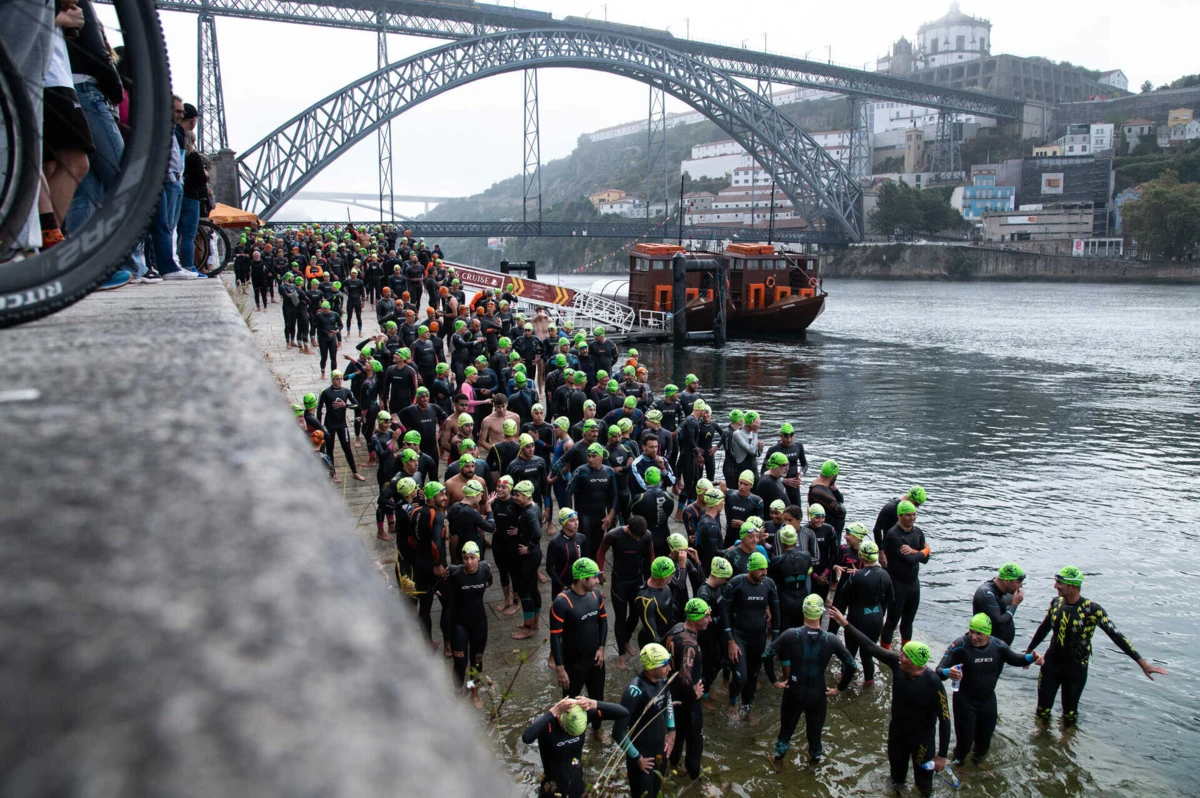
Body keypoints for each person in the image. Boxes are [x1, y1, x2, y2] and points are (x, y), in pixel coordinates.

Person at [829, 607, 951, 797]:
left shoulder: (933, 683)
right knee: (896, 779)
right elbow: (870, 646)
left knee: (924, 784)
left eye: (904, 655)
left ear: (915, 662)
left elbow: (945, 719)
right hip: (897, 734)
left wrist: (942, 755)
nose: (899, 656)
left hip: (922, 741)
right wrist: (845, 624)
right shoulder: (897, 665)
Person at [1026, 566, 1167, 725]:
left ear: (1073, 586)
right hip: (1051, 665)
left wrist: (1142, 664)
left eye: (1059, 583)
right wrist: (1028, 653)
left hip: (1076, 669)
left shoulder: (1091, 609)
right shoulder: (1056, 603)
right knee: (1042, 711)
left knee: (1069, 715)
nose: (1055, 586)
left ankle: (1066, 739)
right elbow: (1044, 628)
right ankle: (1041, 737)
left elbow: (1116, 636)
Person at [937, 613, 1042, 764]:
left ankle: (977, 768)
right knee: (965, 744)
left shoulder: (998, 645)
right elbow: (939, 671)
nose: (974, 637)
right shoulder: (960, 644)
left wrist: (1032, 657)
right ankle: (959, 769)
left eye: (979, 633)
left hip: (988, 702)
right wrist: (948, 672)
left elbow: (1015, 659)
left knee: (984, 744)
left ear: (988, 633)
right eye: (971, 631)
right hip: (965, 702)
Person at [768, 595, 858, 770]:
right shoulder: (831, 639)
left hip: (794, 690)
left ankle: (778, 761)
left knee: (786, 730)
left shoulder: (791, 634)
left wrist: (774, 681)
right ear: (821, 614)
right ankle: (813, 766)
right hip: (818, 692)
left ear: (804, 611)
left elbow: (766, 655)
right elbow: (851, 665)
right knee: (815, 733)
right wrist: (839, 688)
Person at [521, 697, 628, 798]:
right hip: (551, 789)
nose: (569, 734)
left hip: (577, 786)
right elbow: (527, 738)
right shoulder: (548, 724)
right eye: (566, 730)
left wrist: (594, 703)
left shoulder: (583, 716)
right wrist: (553, 711)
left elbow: (623, 713)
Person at [549, 558, 608, 732]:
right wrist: (561, 670)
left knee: (597, 698)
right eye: (594, 577)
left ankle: (596, 731)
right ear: (582, 579)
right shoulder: (562, 602)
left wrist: (601, 648)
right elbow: (555, 638)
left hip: (595, 660)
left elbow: (603, 622)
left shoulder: (595, 595)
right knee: (569, 703)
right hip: (574, 664)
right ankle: (567, 734)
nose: (597, 581)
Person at [719, 551, 780, 720]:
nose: (764, 573)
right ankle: (733, 701)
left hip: (758, 637)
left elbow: (776, 612)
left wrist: (775, 640)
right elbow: (723, 612)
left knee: (753, 677)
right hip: (738, 636)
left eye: (765, 569)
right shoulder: (737, 583)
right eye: (760, 569)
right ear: (751, 569)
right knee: (741, 677)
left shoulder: (769, 584)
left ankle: (747, 709)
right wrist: (730, 640)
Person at [612, 644, 676, 798]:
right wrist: (637, 757)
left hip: (660, 750)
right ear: (651, 668)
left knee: (656, 793)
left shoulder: (663, 680)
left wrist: (671, 731)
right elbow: (618, 732)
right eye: (664, 665)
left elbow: (668, 701)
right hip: (642, 758)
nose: (669, 668)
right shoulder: (634, 690)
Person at [663, 599, 713, 782]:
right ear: (694, 618)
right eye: (706, 616)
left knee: (677, 734)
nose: (710, 620)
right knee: (695, 742)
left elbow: (661, 650)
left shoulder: (676, 629)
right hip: (688, 701)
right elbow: (685, 677)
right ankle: (695, 781)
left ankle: (673, 767)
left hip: (672, 694)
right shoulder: (689, 643)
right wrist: (694, 693)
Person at [596, 515, 654, 669]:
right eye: (636, 537)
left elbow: (651, 556)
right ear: (628, 529)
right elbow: (601, 551)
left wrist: (653, 577)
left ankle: (626, 640)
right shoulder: (613, 535)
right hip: (619, 581)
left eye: (640, 537)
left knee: (636, 614)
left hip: (637, 580)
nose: (638, 540)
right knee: (620, 618)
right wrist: (600, 572)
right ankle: (621, 654)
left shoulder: (646, 535)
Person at [444, 541, 493, 707]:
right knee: (460, 663)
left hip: (479, 623)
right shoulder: (454, 572)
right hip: (459, 624)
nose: (469, 562)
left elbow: (489, 581)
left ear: (478, 557)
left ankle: (473, 692)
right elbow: (439, 589)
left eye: (472, 558)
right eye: (465, 558)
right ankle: (457, 692)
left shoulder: (485, 569)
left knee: (477, 662)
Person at [880, 499, 929, 649]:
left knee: (908, 621)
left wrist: (917, 551)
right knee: (892, 620)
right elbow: (910, 560)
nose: (912, 518)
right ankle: (884, 654)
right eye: (908, 515)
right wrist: (926, 550)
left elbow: (925, 560)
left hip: (913, 583)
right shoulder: (893, 535)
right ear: (899, 516)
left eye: (914, 514)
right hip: (897, 584)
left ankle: (906, 652)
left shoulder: (918, 532)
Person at [412, 482, 450, 647]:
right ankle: (448, 645)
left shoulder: (415, 512)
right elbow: (436, 544)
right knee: (447, 604)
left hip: (420, 564)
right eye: (441, 495)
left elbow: (410, 539)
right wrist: (437, 564)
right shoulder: (438, 516)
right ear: (432, 497)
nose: (445, 498)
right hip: (435, 566)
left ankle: (427, 642)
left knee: (424, 606)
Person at [566, 442, 617, 560]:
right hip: (584, 516)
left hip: (600, 516)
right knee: (585, 547)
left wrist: (610, 515)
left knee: (597, 547)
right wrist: (570, 515)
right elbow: (568, 492)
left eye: (594, 456)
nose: (590, 459)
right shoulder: (580, 471)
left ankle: (594, 569)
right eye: (588, 456)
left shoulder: (609, 472)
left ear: (601, 457)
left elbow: (614, 495)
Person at [510, 480, 545, 640]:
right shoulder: (535, 507)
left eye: (517, 495)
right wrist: (521, 531)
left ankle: (528, 628)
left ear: (526, 496)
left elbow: (537, 533)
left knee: (524, 591)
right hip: (534, 555)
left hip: (530, 556)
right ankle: (535, 622)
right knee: (533, 589)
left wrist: (529, 548)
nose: (514, 497)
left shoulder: (529, 512)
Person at [316, 371, 365, 483]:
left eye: (341, 379)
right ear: (332, 379)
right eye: (337, 379)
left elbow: (357, 406)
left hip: (342, 425)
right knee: (330, 450)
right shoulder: (326, 392)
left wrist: (345, 405)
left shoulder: (346, 391)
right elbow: (319, 409)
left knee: (347, 449)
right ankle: (333, 474)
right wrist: (319, 426)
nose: (339, 381)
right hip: (330, 425)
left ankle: (355, 472)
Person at [768, 525, 814, 634]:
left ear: (781, 541)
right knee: (800, 632)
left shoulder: (777, 560)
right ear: (796, 539)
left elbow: (772, 581)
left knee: (785, 633)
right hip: (802, 597)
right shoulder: (806, 556)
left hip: (784, 599)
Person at [872, 486, 927, 569]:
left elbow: (924, 559)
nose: (916, 507)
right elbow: (877, 529)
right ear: (911, 498)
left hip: (902, 545)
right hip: (890, 547)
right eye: (916, 504)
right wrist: (881, 552)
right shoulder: (890, 508)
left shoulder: (908, 513)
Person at [973, 562, 1026, 646]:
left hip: (1002, 647)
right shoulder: (986, 593)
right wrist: (1014, 604)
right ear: (1007, 581)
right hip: (987, 648)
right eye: (1018, 582)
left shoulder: (1008, 591)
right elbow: (999, 621)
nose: (1021, 586)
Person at [446, 480, 493, 564]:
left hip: (461, 547)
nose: (480, 498)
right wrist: (489, 508)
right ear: (475, 495)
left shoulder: (454, 507)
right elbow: (491, 527)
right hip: (474, 549)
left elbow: (453, 530)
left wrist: (475, 521)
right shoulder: (471, 512)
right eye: (480, 495)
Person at [546, 508, 588, 600]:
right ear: (564, 523)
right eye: (572, 521)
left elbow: (585, 562)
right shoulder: (555, 543)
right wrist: (562, 586)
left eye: (577, 519)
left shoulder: (582, 538)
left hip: (578, 583)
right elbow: (549, 568)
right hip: (561, 585)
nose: (576, 523)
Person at [762, 423, 807, 506]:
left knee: (797, 511)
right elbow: (764, 471)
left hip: (794, 486)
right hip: (780, 486)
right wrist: (783, 480)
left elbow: (805, 465)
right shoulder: (773, 449)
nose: (789, 440)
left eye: (791, 436)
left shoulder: (799, 446)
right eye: (786, 437)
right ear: (781, 436)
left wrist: (801, 474)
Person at [806, 504, 839, 602]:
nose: (820, 520)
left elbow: (834, 552)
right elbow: (803, 556)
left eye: (823, 517)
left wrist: (825, 573)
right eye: (817, 517)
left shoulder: (829, 530)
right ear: (810, 516)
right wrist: (814, 576)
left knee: (821, 600)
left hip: (825, 570)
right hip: (810, 571)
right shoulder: (805, 530)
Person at [807, 459, 845, 534]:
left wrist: (835, 489)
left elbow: (841, 500)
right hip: (825, 532)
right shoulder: (820, 491)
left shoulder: (825, 486)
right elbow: (841, 513)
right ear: (833, 476)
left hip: (829, 530)